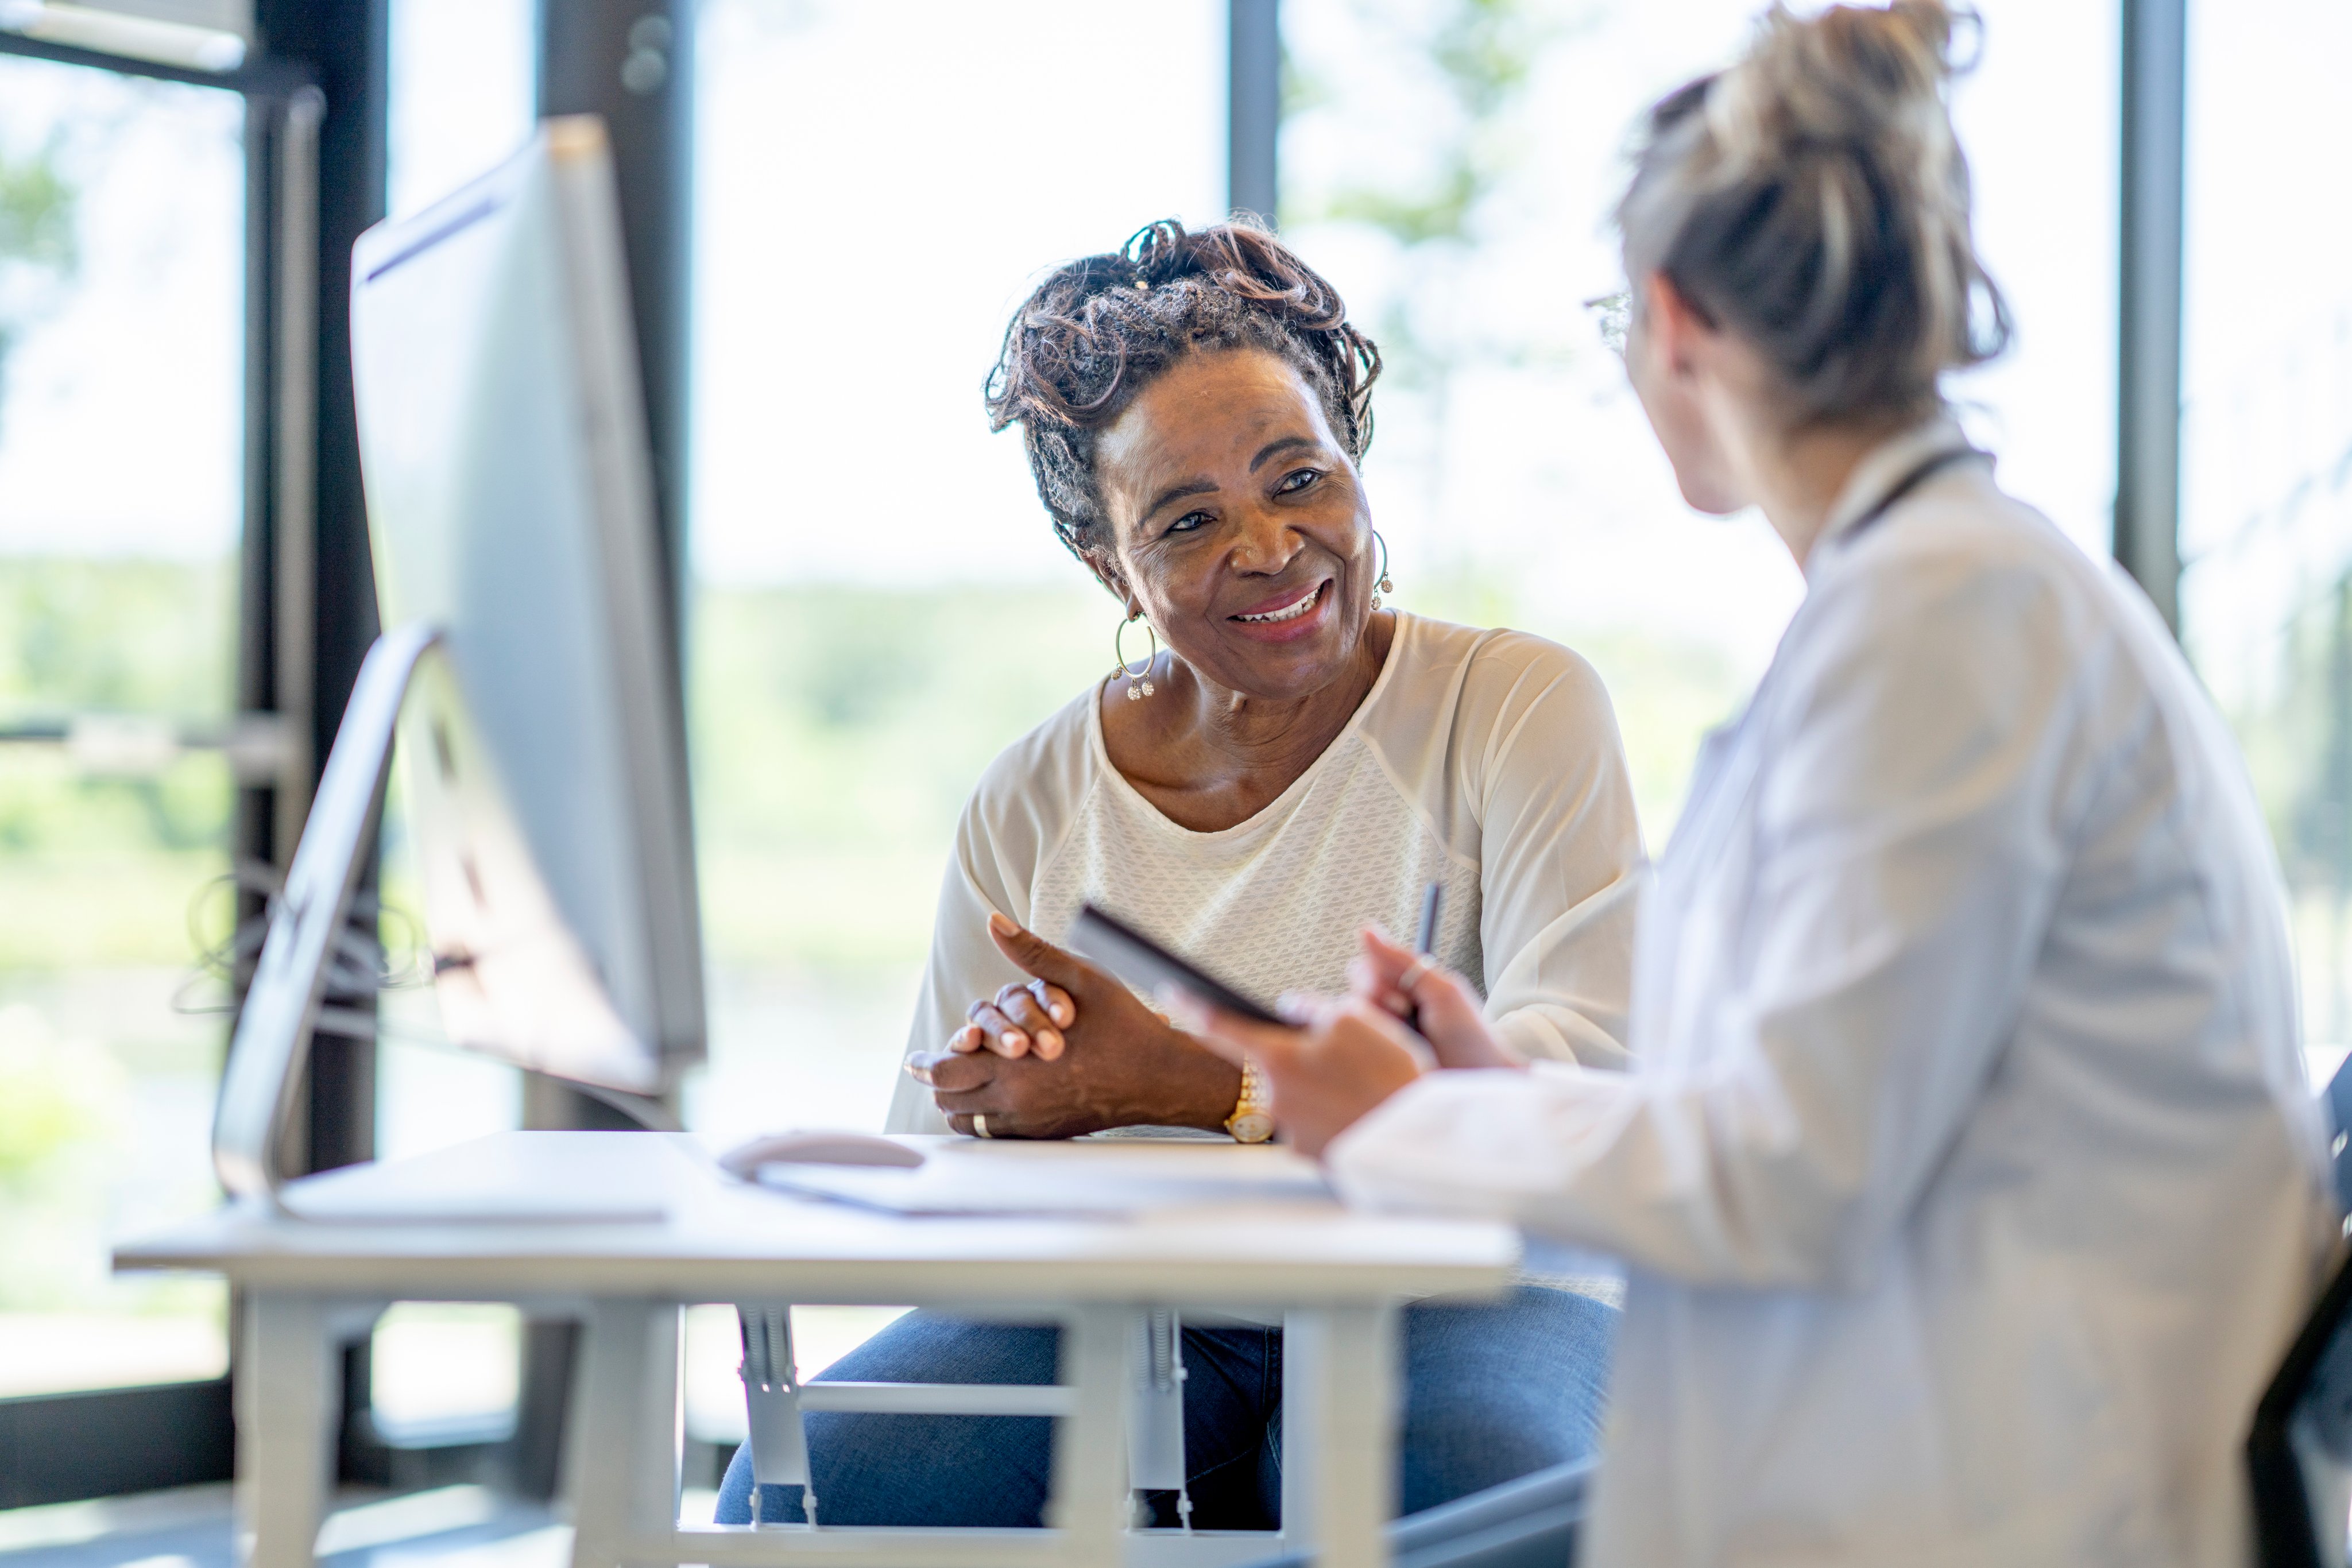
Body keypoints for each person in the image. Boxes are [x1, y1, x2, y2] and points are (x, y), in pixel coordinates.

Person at [1173, 6, 2341, 1565]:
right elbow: (1825, 1101)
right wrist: (1499, 1100)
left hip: (2028, 1497)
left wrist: (1400, 1127)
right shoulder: (1936, 602)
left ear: (1674, 321)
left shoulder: (1951, 625)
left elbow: (1794, 1176)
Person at [715, 219, 1643, 1529]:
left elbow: (1583, 1065)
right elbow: (927, 1158)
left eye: (1298, 480)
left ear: (1354, 468)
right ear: (1108, 562)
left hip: (1472, 1286)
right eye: (1190, 518)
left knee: (1457, 1480)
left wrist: (1187, 1082)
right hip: (1148, 1308)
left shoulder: (1511, 705)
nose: (1266, 549)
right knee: (804, 1486)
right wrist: (1008, 1093)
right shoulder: (1031, 795)